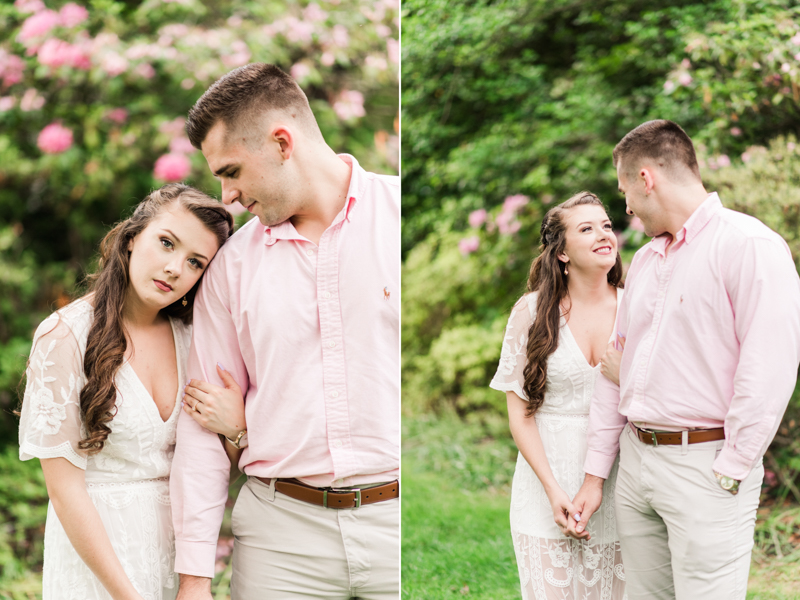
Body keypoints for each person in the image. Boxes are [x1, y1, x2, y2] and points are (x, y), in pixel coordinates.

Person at [170, 63, 400, 599]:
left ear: (281, 142)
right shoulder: (232, 268)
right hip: (281, 541)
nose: (226, 196)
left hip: (399, 522)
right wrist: (194, 580)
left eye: (231, 171)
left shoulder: (398, 216)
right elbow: (204, 427)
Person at [567, 119, 800, 599]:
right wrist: (597, 474)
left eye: (624, 190)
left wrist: (732, 467)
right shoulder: (649, 260)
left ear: (646, 178)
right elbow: (616, 370)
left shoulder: (749, 246)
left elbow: (770, 367)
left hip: (705, 466)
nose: (625, 206)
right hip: (636, 463)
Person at [18, 184, 236, 599]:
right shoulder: (66, 336)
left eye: (194, 261)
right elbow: (64, 491)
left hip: (176, 559)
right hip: (98, 565)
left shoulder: (195, 340)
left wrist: (235, 427)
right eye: (166, 243)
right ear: (133, 237)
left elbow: (218, 465)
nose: (175, 268)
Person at [490, 192, 627, 600]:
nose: (604, 234)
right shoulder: (530, 313)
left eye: (605, 225)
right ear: (562, 253)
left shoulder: (635, 306)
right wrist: (552, 489)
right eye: (586, 228)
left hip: (620, 481)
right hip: (544, 481)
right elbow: (521, 415)